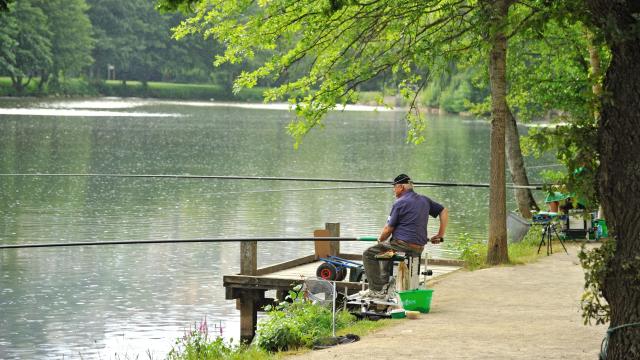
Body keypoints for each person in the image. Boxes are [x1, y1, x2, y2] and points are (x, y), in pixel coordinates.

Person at [361, 174, 448, 299]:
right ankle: (401, 288)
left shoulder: (399, 203)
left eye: (394, 187)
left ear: (401, 187)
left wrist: (379, 239)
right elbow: (443, 211)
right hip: (418, 248)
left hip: (402, 246)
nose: (393, 190)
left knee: (369, 254)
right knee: (385, 249)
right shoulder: (425, 200)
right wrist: (440, 235)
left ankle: (377, 290)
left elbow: (388, 230)